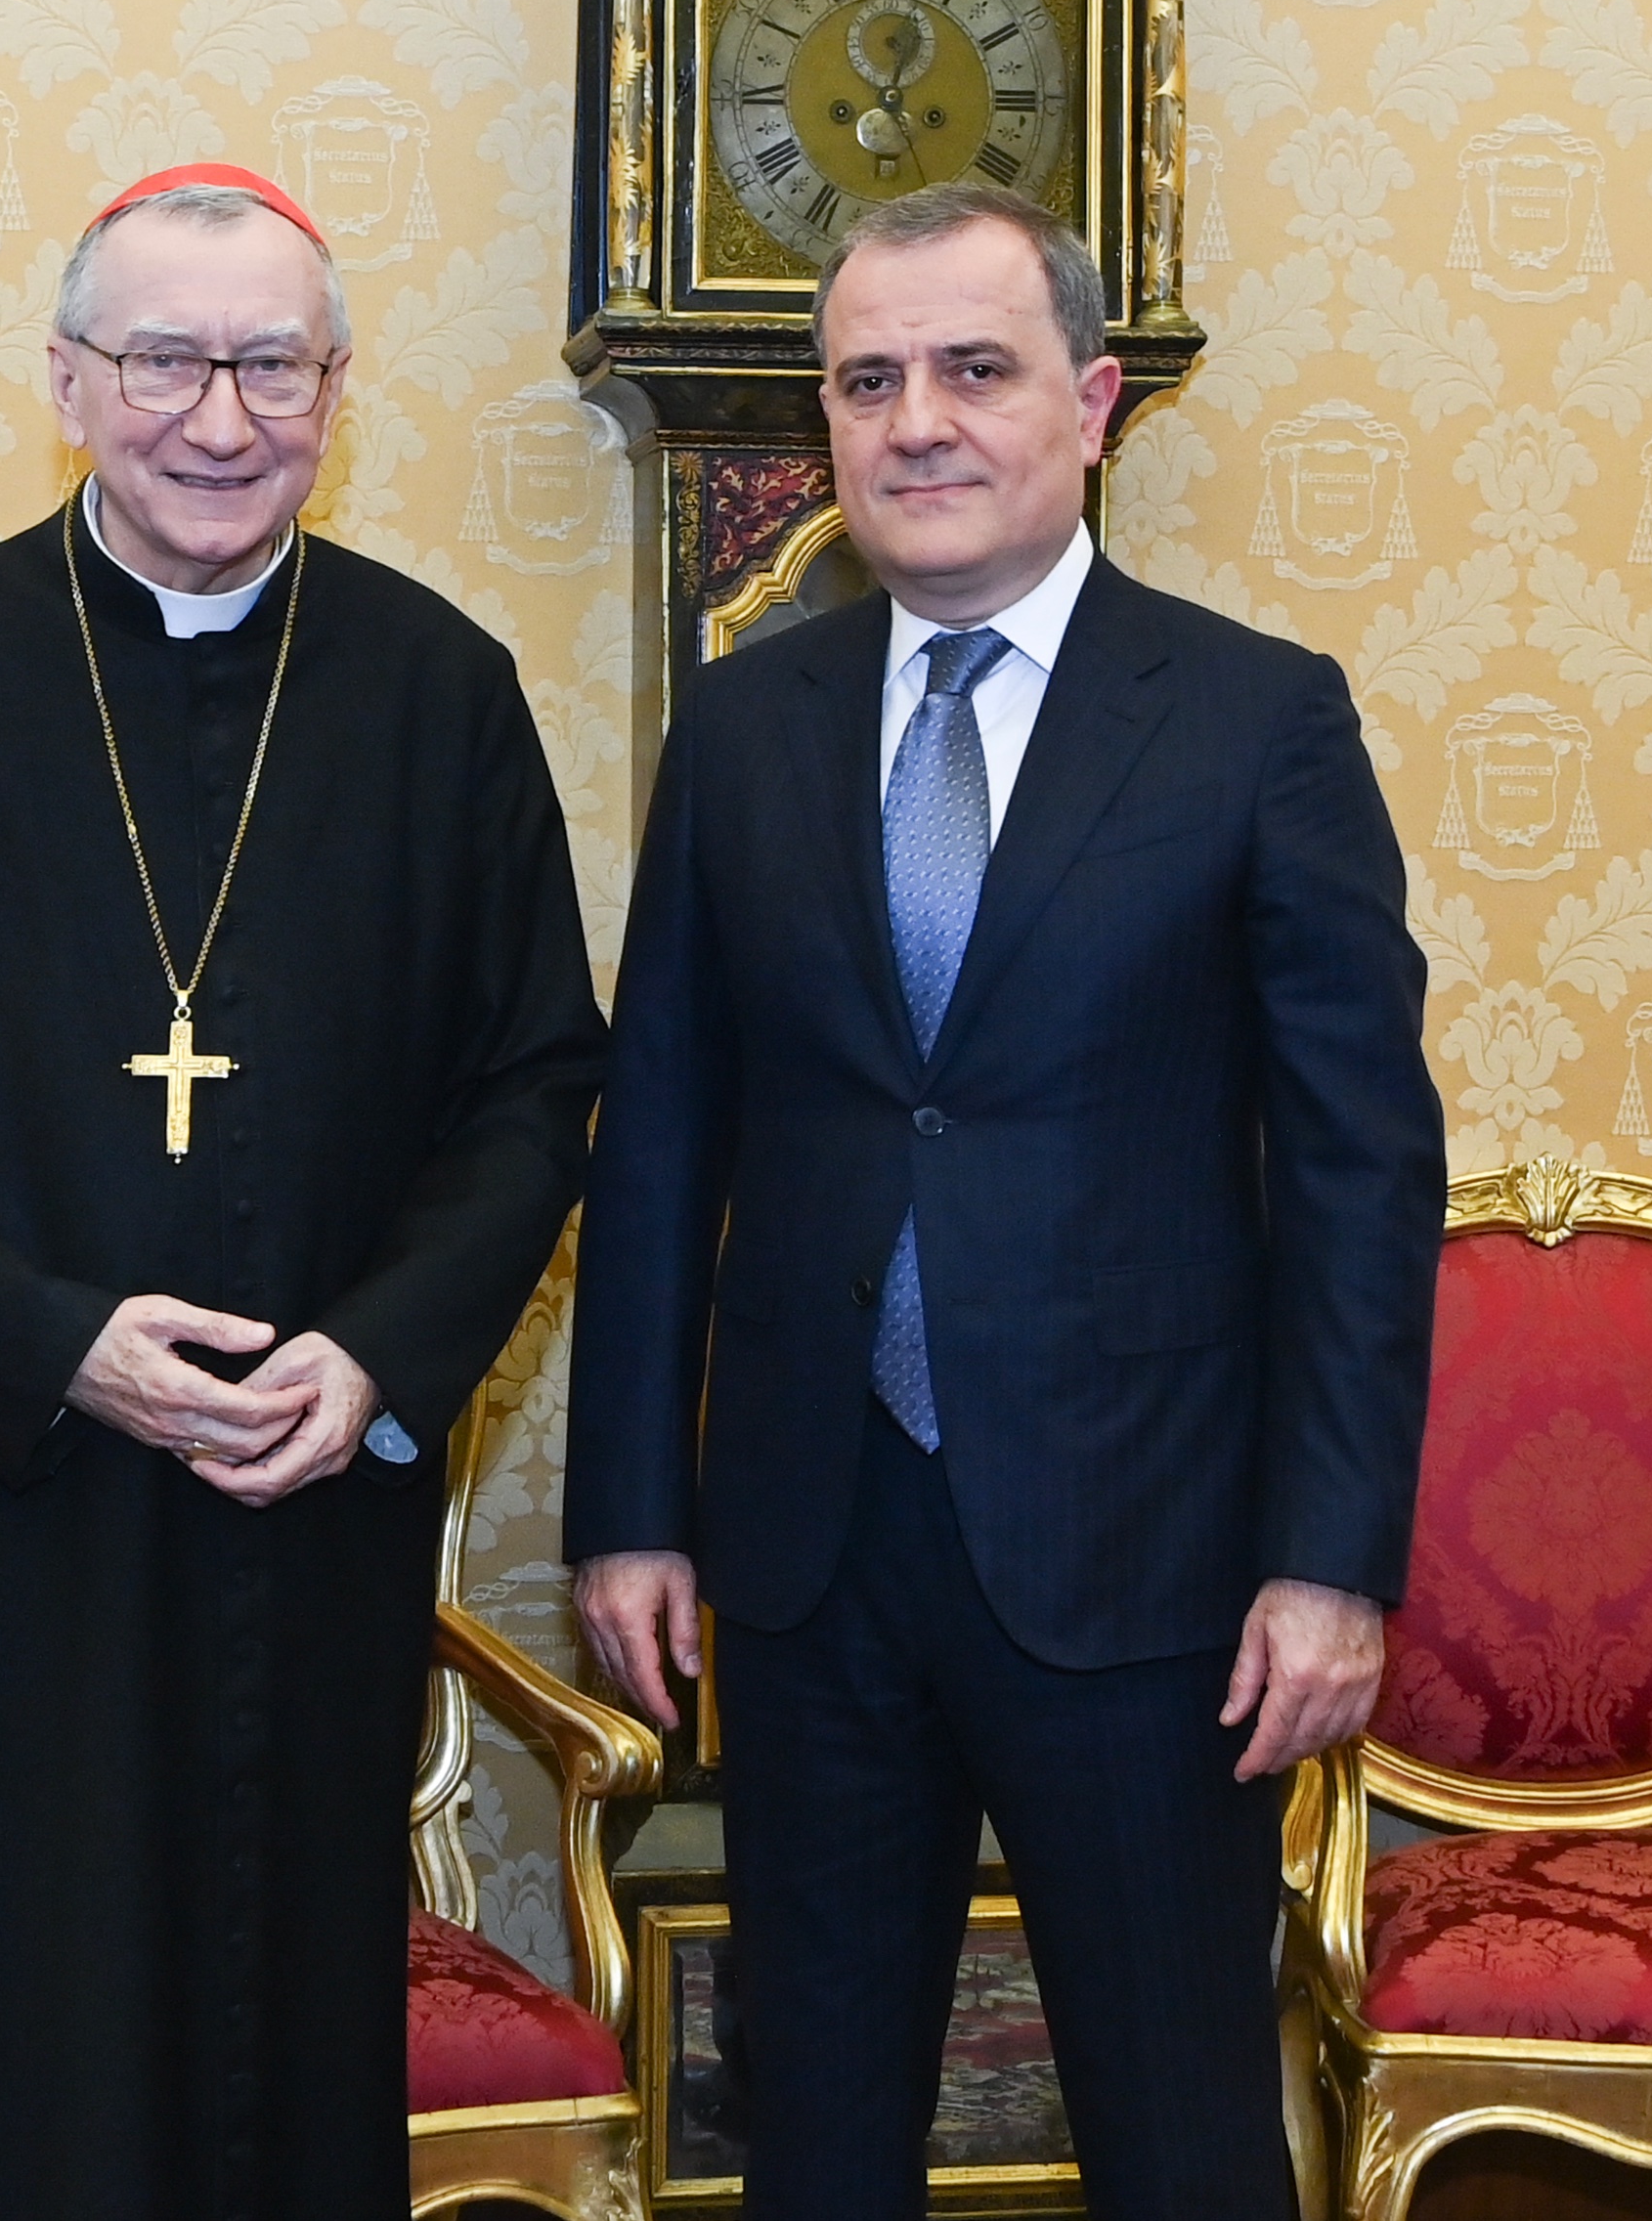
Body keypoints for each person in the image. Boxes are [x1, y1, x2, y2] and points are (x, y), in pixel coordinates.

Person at [0, 165, 606, 2220]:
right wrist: (53, 1345)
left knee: (262, 2044)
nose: (219, 419)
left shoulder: (440, 694)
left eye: (272, 367)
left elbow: (538, 1085)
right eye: (165, 363)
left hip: (298, 1514)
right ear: (67, 381)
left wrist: (376, 1357)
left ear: (336, 391)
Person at [566, 181, 1444, 2221]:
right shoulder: (745, 726)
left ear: (1092, 402)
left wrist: (1332, 1561)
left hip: (1148, 1563)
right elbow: (662, 1128)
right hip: (808, 1554)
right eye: (867, 381)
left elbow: (1357, 1172)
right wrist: (628, 1503)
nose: (919, 423)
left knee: (1178, 2136)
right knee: (814, 2131)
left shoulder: (1255, 721)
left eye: (974, 369)